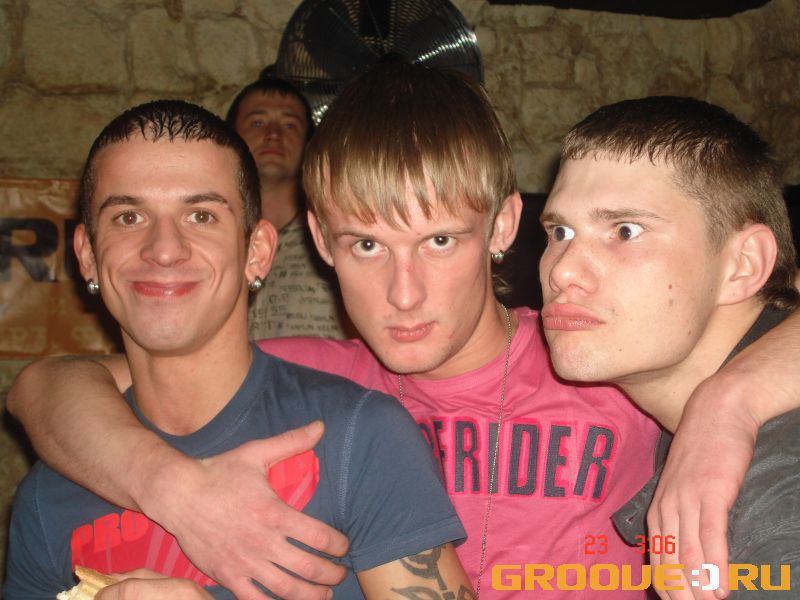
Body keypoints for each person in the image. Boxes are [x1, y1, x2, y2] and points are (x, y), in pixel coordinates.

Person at [8, 64, 800, 600]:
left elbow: (752, 315)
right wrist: (173, 490)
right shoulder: (322, 385)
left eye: (440, 240)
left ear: (503, 227)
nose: (404, 291)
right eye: (366, 246)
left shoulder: (592, 350)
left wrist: (725, 403)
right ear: (322, 244)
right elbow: (47, 386)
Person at [3, 99, 471, 600]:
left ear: (257, 252)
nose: (164, 249)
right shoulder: (47, 495)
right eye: (129, 216)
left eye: (201, 215)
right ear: (87, 255)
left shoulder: (362, 436)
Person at [539, 96, 800, 598]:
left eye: (625, 231)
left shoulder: (775, 510)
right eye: (559, 231)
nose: (562, 270)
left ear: (743, 265)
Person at [226, 77, 350, 339]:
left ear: (308, 143)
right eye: (257, 123)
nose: (273, 134)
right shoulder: (212, 237)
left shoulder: (339, 236)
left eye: (290, 125)